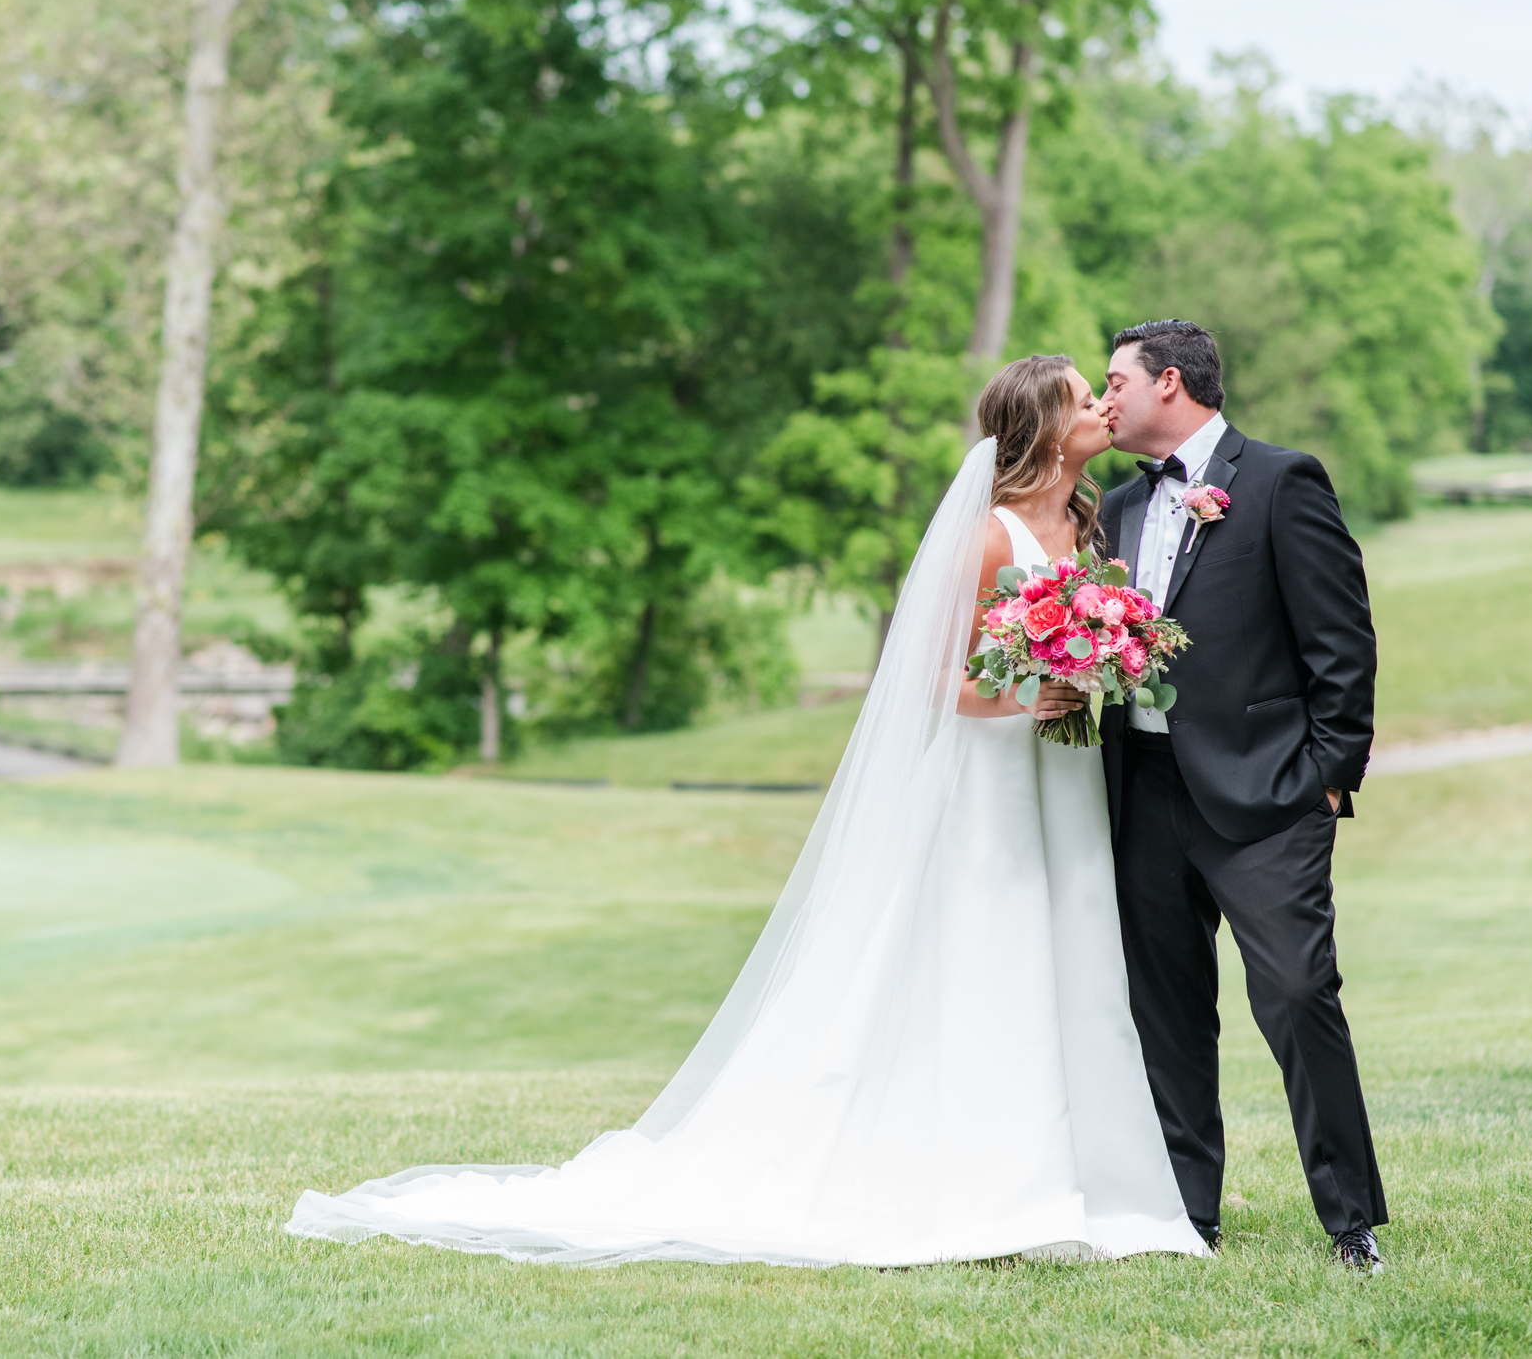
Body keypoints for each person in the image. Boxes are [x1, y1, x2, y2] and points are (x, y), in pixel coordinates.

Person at [286, 355, 1210, 1268]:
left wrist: (1090, 669)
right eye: (1083, 399)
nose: (1099, 408)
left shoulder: (1090, 532)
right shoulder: (991, 537)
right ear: (1045, 429)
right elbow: (932, 677)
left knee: (1070, 952)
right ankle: (989, 1190)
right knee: (991, 954)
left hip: (1063, 774)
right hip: (993, 779)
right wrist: (1027, 695)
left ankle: (1093, 1183)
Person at [1094, 320, 1386, 1272]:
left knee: (1300, 993)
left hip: (1267, 795)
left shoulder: (1280, 481)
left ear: (1168, 383)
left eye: (1115, 381)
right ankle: (1191, 1214)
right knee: (1168, 1009)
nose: (1105, 399)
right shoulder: (1118, 509)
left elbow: (1341, 642)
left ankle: (1351, 1222)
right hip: (1141, 792)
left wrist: (1328, 778)